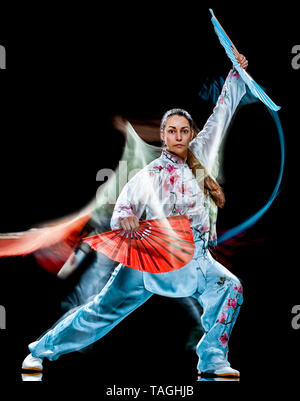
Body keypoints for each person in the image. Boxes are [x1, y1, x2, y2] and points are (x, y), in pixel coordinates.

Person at [22, 55, 248, 379]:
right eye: (173, 131)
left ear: (191, 133)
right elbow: (123, 211)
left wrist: (236, 74)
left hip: (195, 260)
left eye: (185, 131)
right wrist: (126, 221)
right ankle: (39, 351)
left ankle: (212, 359)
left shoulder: (203, 153)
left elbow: (222, 112)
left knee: (230, 288)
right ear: (165, 135)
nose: (180, 137)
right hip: (149, 260)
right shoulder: (149, 175)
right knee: (99, 312)